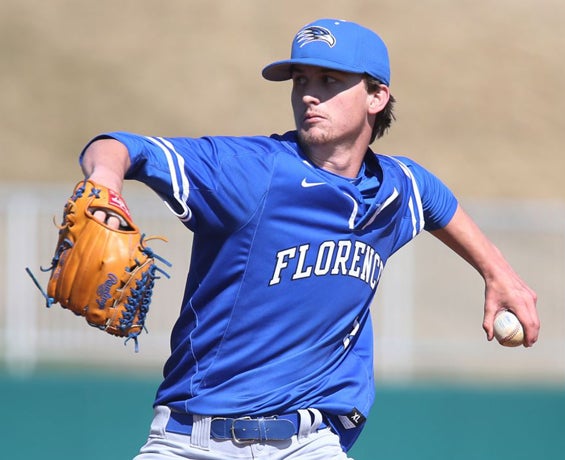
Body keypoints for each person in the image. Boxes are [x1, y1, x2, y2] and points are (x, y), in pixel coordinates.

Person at [80, 18, 539, 460]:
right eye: (301, 80)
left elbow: (438, 202)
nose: (309, 96)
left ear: (377, 96)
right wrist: (105, 180)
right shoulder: (251, 172)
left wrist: (500, 274)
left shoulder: (397, 189)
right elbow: (124, 146)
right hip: (192, 438)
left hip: (308, 443)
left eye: (329, 80)